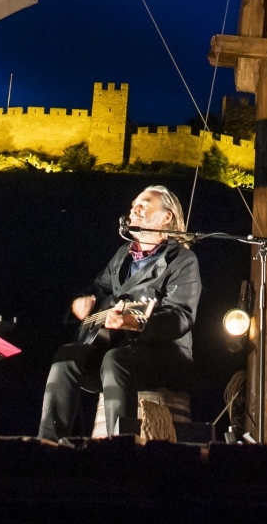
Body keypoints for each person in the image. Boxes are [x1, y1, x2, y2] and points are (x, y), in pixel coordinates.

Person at [37, 185, 201, 439]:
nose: (134, 208)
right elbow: (99, 289)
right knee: (67, 356)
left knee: (116, 360)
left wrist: (134, 322)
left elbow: (180, 315)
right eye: (134, 204)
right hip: (112, 352)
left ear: (166, 217)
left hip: (163, 356)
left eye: (144, 204)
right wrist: (83, 303)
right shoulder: (122, 255)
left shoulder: (182, 260)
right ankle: (48, 444)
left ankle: (120, 446)